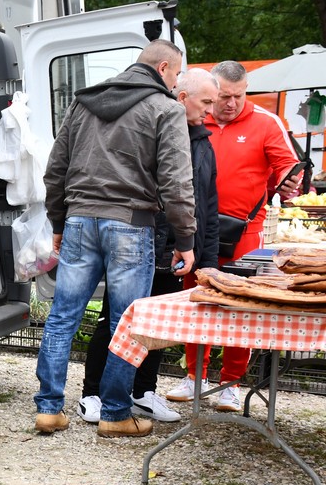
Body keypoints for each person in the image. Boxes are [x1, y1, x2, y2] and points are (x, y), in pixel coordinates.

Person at [34, 39, 196, 439]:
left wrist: (59, 221)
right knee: (128, 324)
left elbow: (55, 170)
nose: (176, 84)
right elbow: (176, 182)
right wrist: (185, 238)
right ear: (163, 68)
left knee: (62, 316)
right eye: (176, 74)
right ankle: (115, 414)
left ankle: (49, 409)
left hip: (79, 220)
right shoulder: (166, 108)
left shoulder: (84, 102)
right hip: (130, 223)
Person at [78, 68, 221, 425]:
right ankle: (92, 393)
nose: (211, 111)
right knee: (116, 319)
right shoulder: (151, 127)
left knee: (159, 325)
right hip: (136, 242)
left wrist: (207, 256)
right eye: (206, 102)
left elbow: (208, 204)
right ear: (183, 98)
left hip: (178, 249)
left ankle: (142, 392)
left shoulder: (204, 143)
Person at [166, 61, 302, 412]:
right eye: (223, 96)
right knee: (198, 299)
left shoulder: (266, 122)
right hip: (197, 228)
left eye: (238, 96)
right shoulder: (194, 117)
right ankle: (194, 376)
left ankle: (231, 383)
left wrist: (289, 181)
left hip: (246, 231)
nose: (230, 104)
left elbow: (287, 169)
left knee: (241, 304)